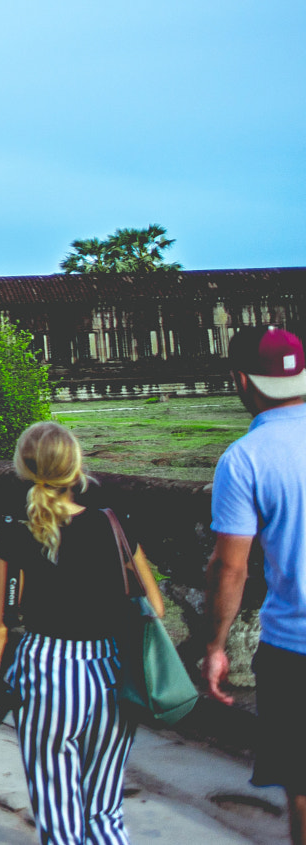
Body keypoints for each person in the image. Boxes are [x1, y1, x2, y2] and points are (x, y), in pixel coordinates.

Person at [0, 419, 166, 845]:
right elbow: (154, 607)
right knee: (104, 807)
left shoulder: (17, 533)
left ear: (24, 468)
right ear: (76, 467)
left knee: (59, 809)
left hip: (50, 669)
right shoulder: (113, 523)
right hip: (112, 669)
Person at [202, 326, 306, 840]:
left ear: (240, 380)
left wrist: (217, 644)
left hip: (295, 647)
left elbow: (232, 567)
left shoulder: (245, 458)